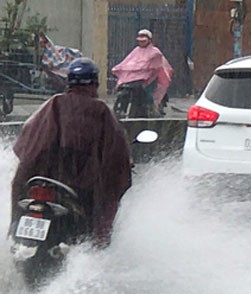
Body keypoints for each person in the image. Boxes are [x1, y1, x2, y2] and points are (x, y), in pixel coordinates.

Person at [10, 58, 133, 246]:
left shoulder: (54, 104)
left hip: (43, 177)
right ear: (94, 83)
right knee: (103, 208)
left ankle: (13, 229)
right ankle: (97, 242)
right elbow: (116, 158)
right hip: (81, 187)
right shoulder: (102, 111)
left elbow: (29, 140)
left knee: (19, 186)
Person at [112, 29, 173, 116]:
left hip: (150, 78)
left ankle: (152, 109)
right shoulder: (136, 50)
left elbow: (154, 67)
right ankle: (121, 109)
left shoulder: (155, 52)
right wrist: (118, 68)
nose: (141, 43)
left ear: (149, 40)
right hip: (133, 78)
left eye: (143, 41)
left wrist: (143, 70)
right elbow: (127, 62)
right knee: (124, 89)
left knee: (145, 92)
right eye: (140, 41)